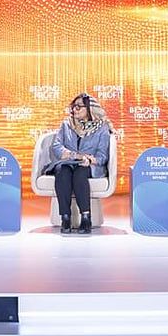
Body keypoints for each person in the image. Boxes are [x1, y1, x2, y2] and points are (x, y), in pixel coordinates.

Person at [43, 93, 112, 235]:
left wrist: (90, 160)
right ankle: (65, 217)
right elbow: (57, 146)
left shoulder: (102, 128)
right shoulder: (66, 124)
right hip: (67, 161)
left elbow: (102, 156)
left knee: (80, 173)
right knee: (62, 171)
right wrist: (74, 155)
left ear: (89, 109)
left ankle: (86, 218)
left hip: (88, 165)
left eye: (79, 107)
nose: (75, 110)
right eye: (73, 107)